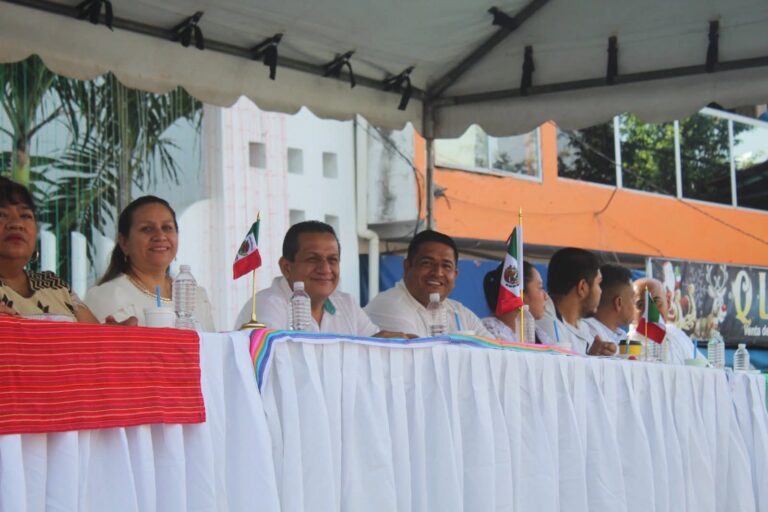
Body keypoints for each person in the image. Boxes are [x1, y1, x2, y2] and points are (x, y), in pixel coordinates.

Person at [235, 221, 407, 337]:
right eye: (312, 259)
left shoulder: (346, 304)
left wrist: (404, 341)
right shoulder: (267, 305)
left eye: (332, 260)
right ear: (287, 267)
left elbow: (374, 345)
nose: (325, 269)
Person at [85, 196, 215, 330]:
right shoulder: (107, 296)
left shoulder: (196, 296)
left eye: (167, 227)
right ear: (124, 242)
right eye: (146, 229)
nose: (160, 236)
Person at [0, 177, 99, 322]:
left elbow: (98, 336)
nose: (17, 224)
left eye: (25, 215)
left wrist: (120, 332)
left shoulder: (53, 284)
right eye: (1, 214)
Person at [364, 230, 492, 338]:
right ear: (407, 267)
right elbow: (420, 360)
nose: (438, 273)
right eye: (427, 263)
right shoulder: (389, 305)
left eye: (446, 266)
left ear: (455, 275)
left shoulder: (461, 313)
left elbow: (496, 352)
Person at [536, 247, 617, 356]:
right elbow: (562, 369)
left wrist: (593, 357)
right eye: (598, 284)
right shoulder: (544, 321)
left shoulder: (584, 327)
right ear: (582, 287)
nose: (601, 291)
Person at [631, 277, 705, 364]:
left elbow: (704, 369)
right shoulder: (628, 345)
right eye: (641, 304)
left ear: (668, 302)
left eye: (656, 301)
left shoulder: (677, 336)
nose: (650, 310)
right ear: (631, 310)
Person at [481, 260, 549, 342]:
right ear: (519, 293)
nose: (546, 296)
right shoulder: (489, 333)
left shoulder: (537, 333)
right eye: (540, 287)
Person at [583, 264, 635, 352]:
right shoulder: (587, 331)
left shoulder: (622, 335)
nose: (635, 307)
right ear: (618, 303)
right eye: (633, 300)